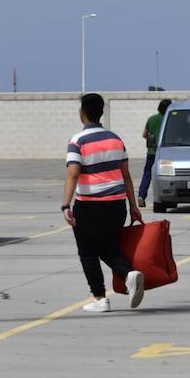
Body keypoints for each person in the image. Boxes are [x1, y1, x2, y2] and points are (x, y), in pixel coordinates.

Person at [62, 93, 145, 312]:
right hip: (117, 205)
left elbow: (73, 174)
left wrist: (65, 205)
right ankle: (128, 274)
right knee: (107, 247)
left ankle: (101, 298)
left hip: (89, 206)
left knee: (87, 251)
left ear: (83, 114)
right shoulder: (116, 140)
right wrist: (134, 207)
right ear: (101, 112)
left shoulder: (77, 141)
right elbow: (126, 176)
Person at [137, 98, 171, 208]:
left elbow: (144, 134)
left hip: (151, 152)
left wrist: (152, 139)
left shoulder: (151, 119)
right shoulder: (169, 119)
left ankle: (141, 195)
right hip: (164, 152)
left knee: (147, 174)